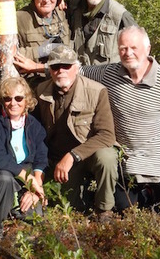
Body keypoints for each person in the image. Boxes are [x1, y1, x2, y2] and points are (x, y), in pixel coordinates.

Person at [81, 26, 160, 212]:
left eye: (134, 47)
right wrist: (38, 68)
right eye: (123, 48)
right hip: (126, 164)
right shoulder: (110, 74)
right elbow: (75, 71)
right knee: (124, 212)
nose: (128, 53)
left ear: (147, 49)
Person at [34, 44, 119, 220]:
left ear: (77, 68)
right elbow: (34, 133)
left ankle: (104, 210)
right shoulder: (40, 92)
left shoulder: (96, 91)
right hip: (56, 159)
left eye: (66, 66)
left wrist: (72, 156)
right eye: (56, 67)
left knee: (107, 157)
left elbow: (107, 135)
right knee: (68, 210)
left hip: (86, 155)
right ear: (50, 70)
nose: (61, 71)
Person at [0, 77, 48, 239]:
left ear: (27, 101)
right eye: (7, 99)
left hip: (25, 181)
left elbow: (41, 158)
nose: (13, 103)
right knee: (5, 178)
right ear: (2, 101)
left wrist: (35, 189)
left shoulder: (34, 124)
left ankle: (19, 226)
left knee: (37, 219)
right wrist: (28, 179)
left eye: (19, 98)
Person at [66, 0, 136, 65]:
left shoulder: (120, 16)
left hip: (107, 79)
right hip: (78, 78)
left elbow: (138, 51)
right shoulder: (73, 3)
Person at [11, 0, 71, 86]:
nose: (46, 0)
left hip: (63, 79)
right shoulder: (19, 18)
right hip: (34, 84)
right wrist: (41, 51)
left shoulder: (62, 13)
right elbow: (9, 53)